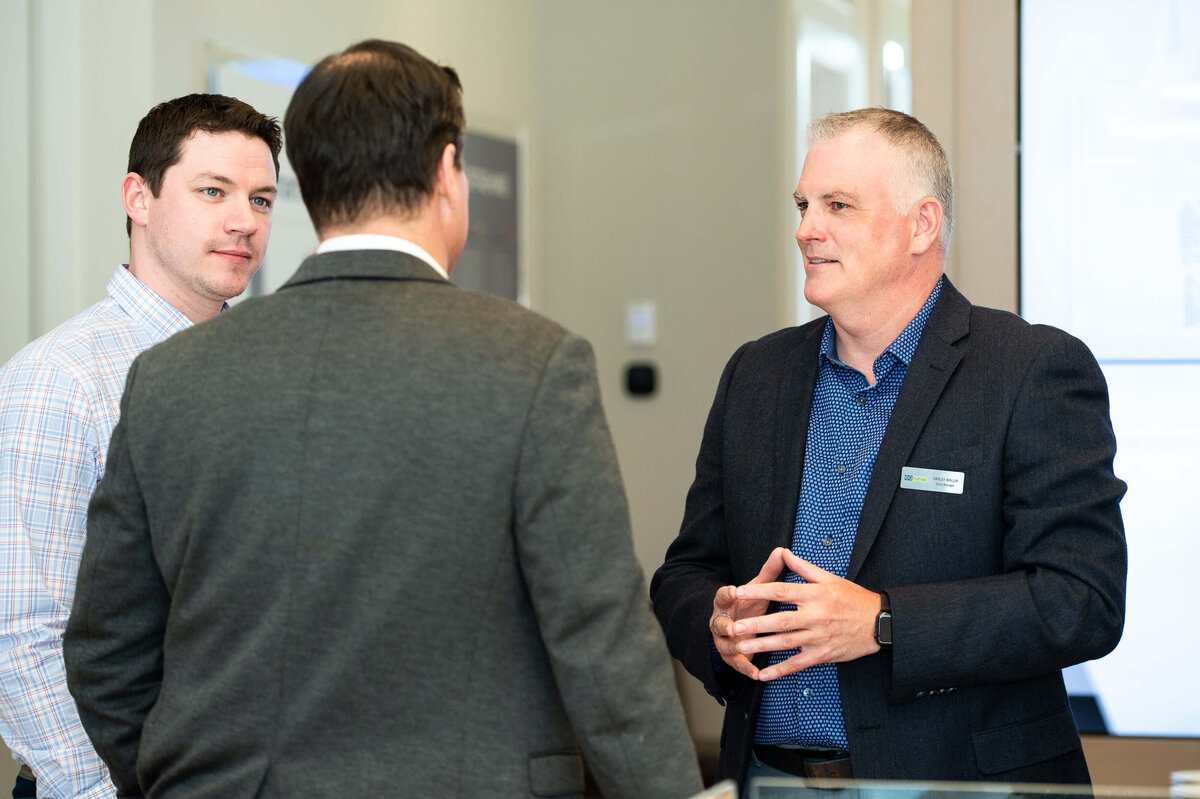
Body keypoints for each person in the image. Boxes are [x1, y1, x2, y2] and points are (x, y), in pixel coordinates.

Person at [63, 40, 702, 799]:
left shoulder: (170, 377)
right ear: (447, 172)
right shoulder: (532, 363)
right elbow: (603, 645)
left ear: (307, 183)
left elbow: (107, 652)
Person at [650, 107, 1127, 787]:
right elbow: (684, 572)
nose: (806, 228)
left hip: (959, 781)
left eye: (837, 205)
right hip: (769, 776)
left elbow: (1082, 599)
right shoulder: (755, 374)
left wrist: (883, 621)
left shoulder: (1030, 370)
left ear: (921, 225)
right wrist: (718, 623)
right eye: (804, 204)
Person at [0, 94, 280, 798]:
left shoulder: (266, 372)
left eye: (263, 198)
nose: (243, 220)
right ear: (139, 198)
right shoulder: (62, 378)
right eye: (213, 190)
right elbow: (19, 632)